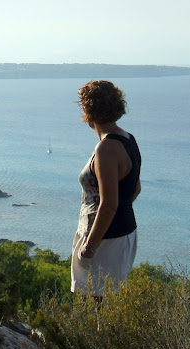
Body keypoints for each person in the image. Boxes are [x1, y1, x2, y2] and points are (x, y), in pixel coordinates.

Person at [70, 80, 142, 298]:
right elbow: (135, 189)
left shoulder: (107, 148)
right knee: (106, 303)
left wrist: (89, 247)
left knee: (97, 306)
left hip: (105, 239)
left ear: (87, 110)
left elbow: (109, 204)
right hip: (121, 233)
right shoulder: (128, 139)